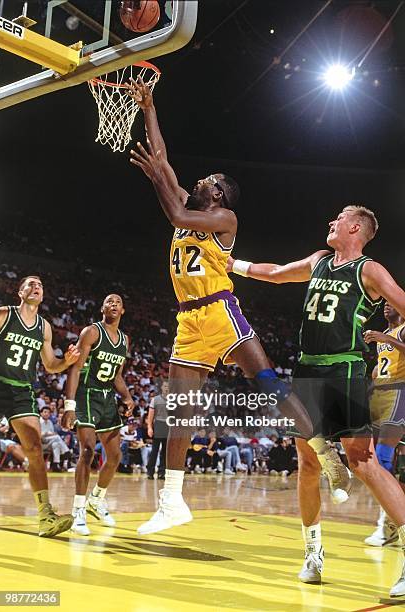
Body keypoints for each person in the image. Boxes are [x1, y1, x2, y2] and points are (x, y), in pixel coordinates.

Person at [127, 77, 324, 536]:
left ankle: (323, 449)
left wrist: (158, 178)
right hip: (188, 319)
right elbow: (163, 162)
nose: (198, 180)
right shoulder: (187, 200)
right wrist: (149, 107)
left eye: (208, 180)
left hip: (219, 309)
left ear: (218, 194)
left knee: (269, 384)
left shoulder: (223, 219)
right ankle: (172, 501)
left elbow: (175, 213)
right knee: (180, 409)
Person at [228, 205, 405, 596]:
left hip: (344, 369)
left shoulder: (369, 271)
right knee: (308, 463)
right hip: (307, 369)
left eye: (339, 217)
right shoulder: (320, 260)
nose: (330, 221)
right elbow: (275, 274)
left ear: (355, 226)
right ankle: (312, 554)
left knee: (362, 461)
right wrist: (232, 264)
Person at [0, 275, 79, 536]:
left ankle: (45, 516)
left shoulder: (44, 327)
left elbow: (50, 366)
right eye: (30, 284)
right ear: (19, 291)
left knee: (33, 448)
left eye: (40, 285)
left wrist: (66, 361)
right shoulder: (3, 315)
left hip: (22, 391)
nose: (36, 287)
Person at [63, 294, 134, 536]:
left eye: (117, 302)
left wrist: (127, 396)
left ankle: (97, 499)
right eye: (108, 301)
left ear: (123, 311)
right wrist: (69, 405)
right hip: (86, 394)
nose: (113, 304)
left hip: (106, 398)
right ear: (102, 308)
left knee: (115, 456)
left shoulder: (124, 340)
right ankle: (78, 510)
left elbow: (116, 375)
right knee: (88, 450)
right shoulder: (92, 332)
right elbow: (76, 368)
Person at [364, 302, 405, 546]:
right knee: (384, 462)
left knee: (383, 459)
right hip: (385, 395)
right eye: (384, 304)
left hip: (400, 393)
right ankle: (392, 522)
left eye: (392, 302)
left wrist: (385, 339)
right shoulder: (385, 336)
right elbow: (383, 366)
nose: (386, 306)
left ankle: (389, 524)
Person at [146, 381, 169, 479]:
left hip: (169, 425)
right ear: (161, 387)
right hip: (158, 424)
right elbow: (150, 415)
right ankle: (150, 471)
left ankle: (162, 472)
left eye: (168, 386)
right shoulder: (155, 399)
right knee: (154, 450)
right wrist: (149, 427)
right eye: (165, 386)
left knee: (165, 451)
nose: (167, 388)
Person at [40, 406, 70, 472]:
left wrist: (50, 434)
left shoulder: (50, 422)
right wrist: (47, 433)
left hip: (49, 443)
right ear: (41, 413)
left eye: (48, 412)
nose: (46, 414)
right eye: (45, 412)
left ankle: (56, 465)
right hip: (40, 443)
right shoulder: (38, 422)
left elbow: (52, 434)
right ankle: (66, 451)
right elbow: (39, 436)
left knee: (56, 444)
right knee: (57, 437)